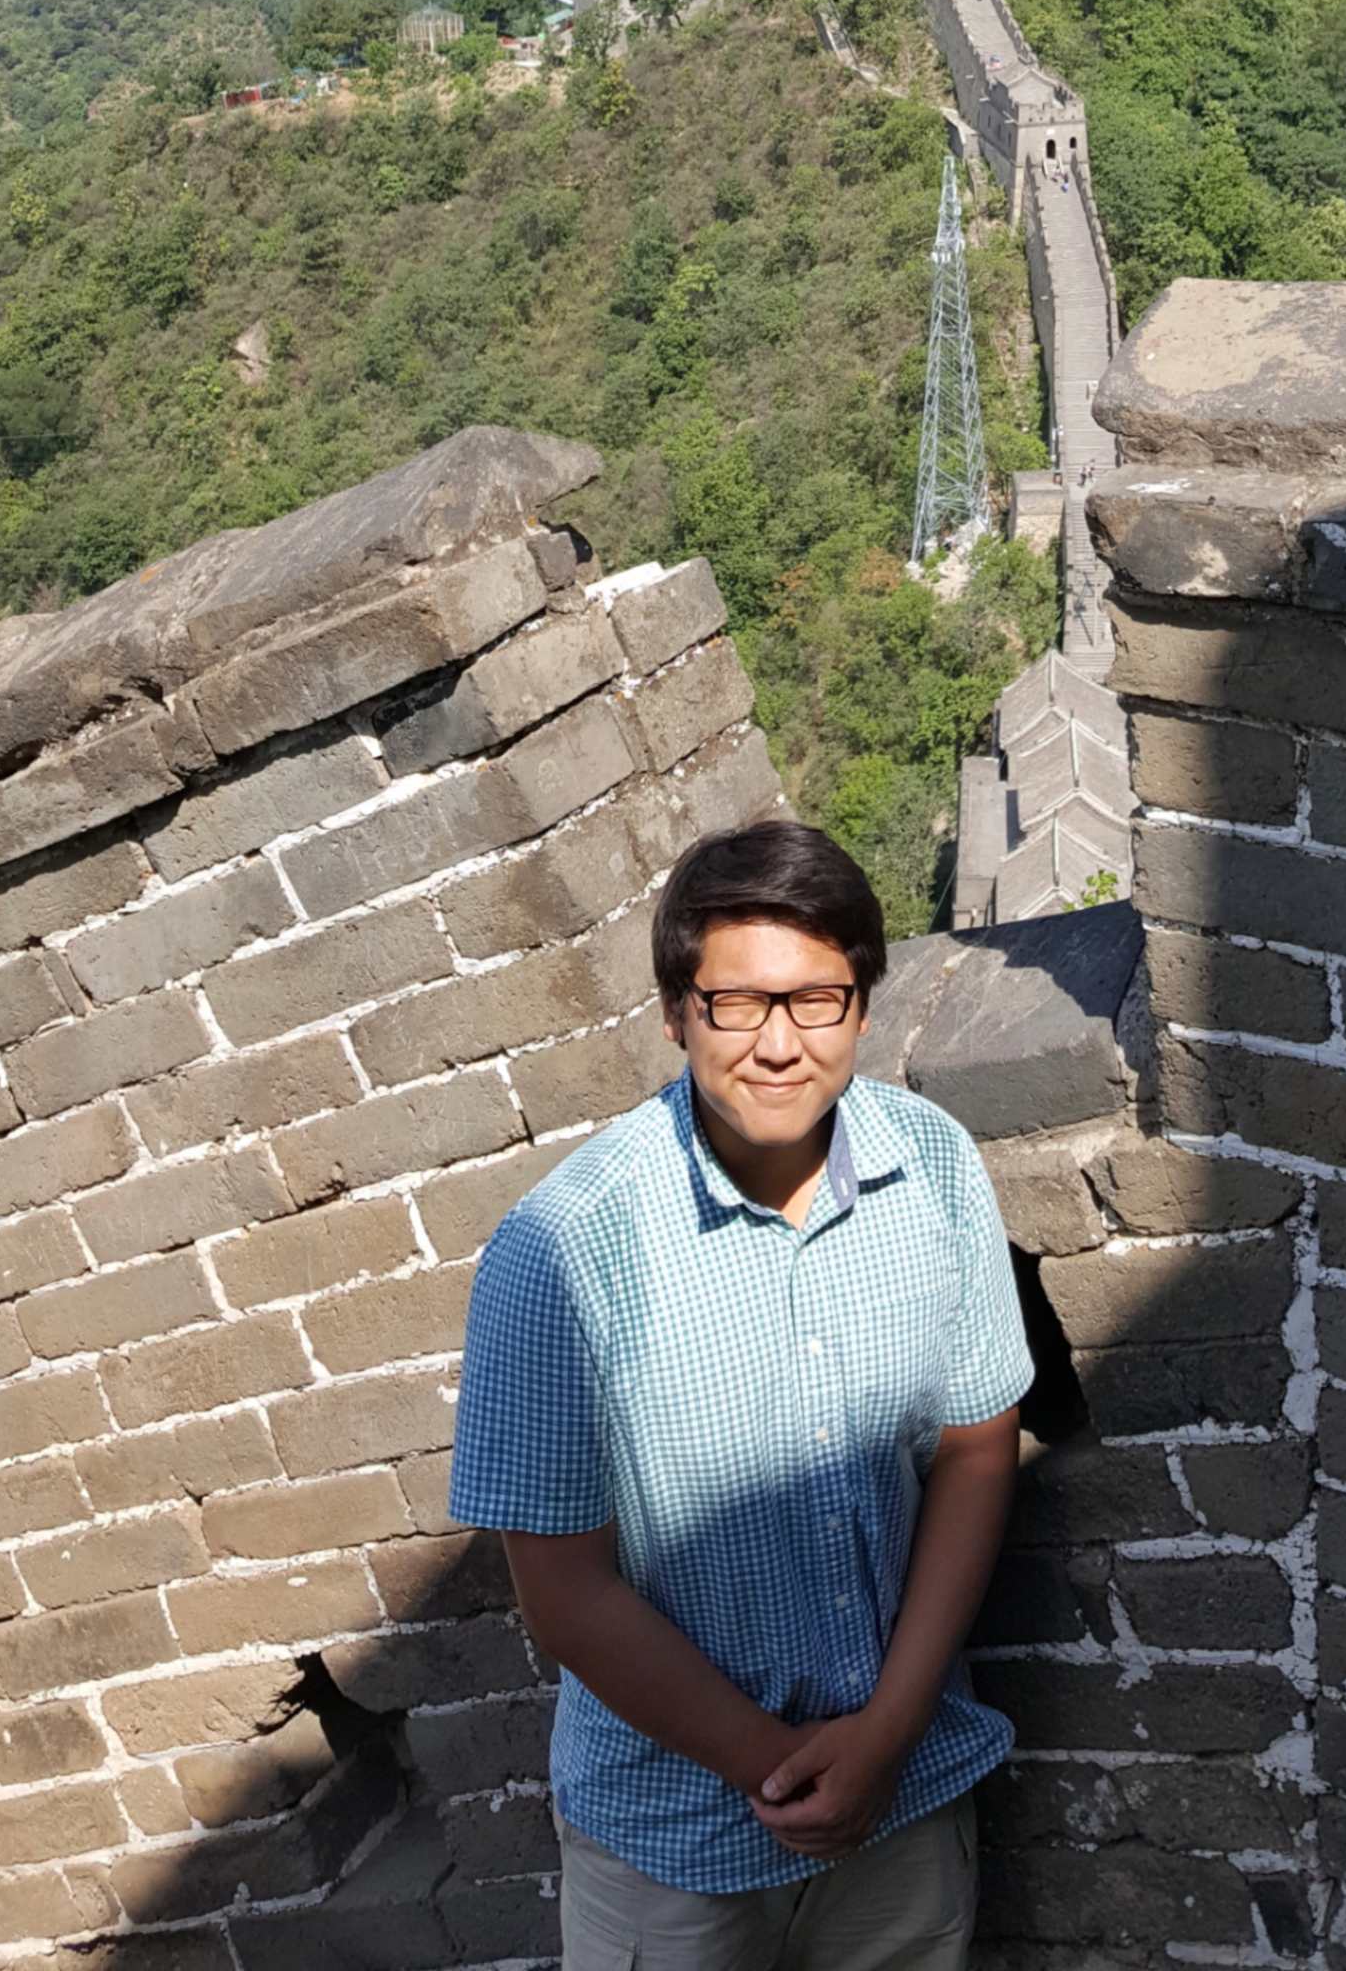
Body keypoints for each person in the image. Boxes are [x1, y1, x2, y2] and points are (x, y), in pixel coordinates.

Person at [449, 821, 1033, 1970]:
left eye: (816, 1000)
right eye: (735, 1003)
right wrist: (782, 1769)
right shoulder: (563, 1250)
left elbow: (975, 1446)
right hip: (676, 1842)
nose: (777, 1044)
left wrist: (885, 1739)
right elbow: (562, 1594)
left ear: (863, 1005)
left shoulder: (935, 1166)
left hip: (902, 1799)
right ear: (676, 1013)